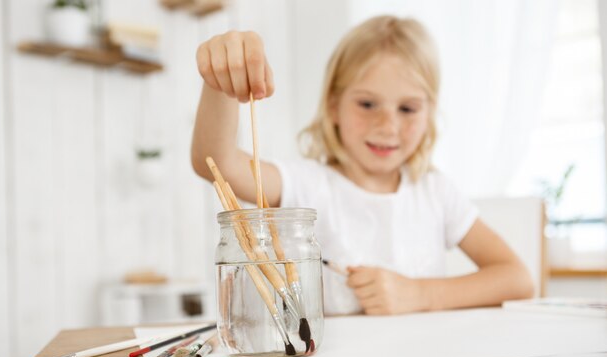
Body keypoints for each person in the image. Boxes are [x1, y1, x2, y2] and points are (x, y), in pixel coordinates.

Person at [191, 15, 534, 315]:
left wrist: (418, 295)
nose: (387, 125)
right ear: (334, 105)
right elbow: (216, 164)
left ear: (430, 113)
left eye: (408, 108)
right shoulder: (306, 184)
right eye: (368, 103)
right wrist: (221, 81)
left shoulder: (436, 192)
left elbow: (517, 279)